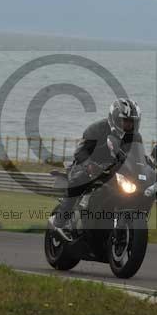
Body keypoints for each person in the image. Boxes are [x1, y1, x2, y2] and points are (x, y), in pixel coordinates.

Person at [49, 98, 142, 240]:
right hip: (88, 166)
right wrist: (89, 165)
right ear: (114, 118)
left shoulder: (136, 138)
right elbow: (80, 152)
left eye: (131, 122)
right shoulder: (97, 129)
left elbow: (138, 158)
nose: (128, 125)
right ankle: (60, 222)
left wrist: (149, 169)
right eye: (125, 120)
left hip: (113, 172)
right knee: (79, 180)